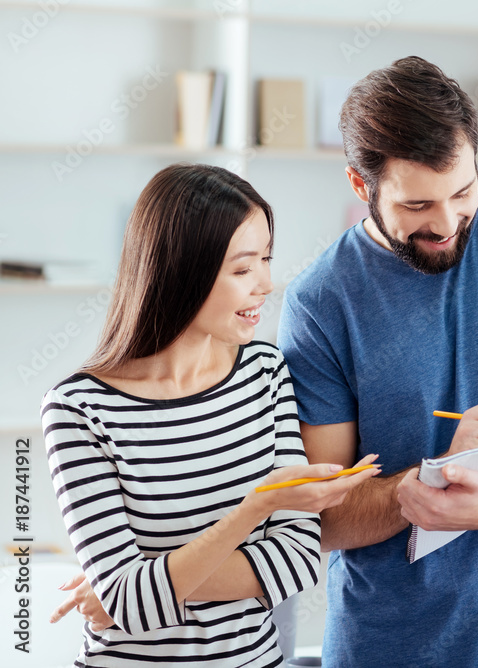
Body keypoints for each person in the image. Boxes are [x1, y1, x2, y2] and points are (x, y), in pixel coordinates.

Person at [277, 56, 478, 667]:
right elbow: (322, 519)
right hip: (388, 648)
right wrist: (428, 478)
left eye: (463, 192)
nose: (446, 222)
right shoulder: (321, 300)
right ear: (361, 185)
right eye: (417, 206)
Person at [41, 164, 380, 667]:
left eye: (266, 259)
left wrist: (145, 585)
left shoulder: (264, 372)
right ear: (181, 270)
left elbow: (300, 559)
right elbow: (124, 599)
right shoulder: (80, 409)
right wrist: (255, 509)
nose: (265, 282)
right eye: (242, 269)